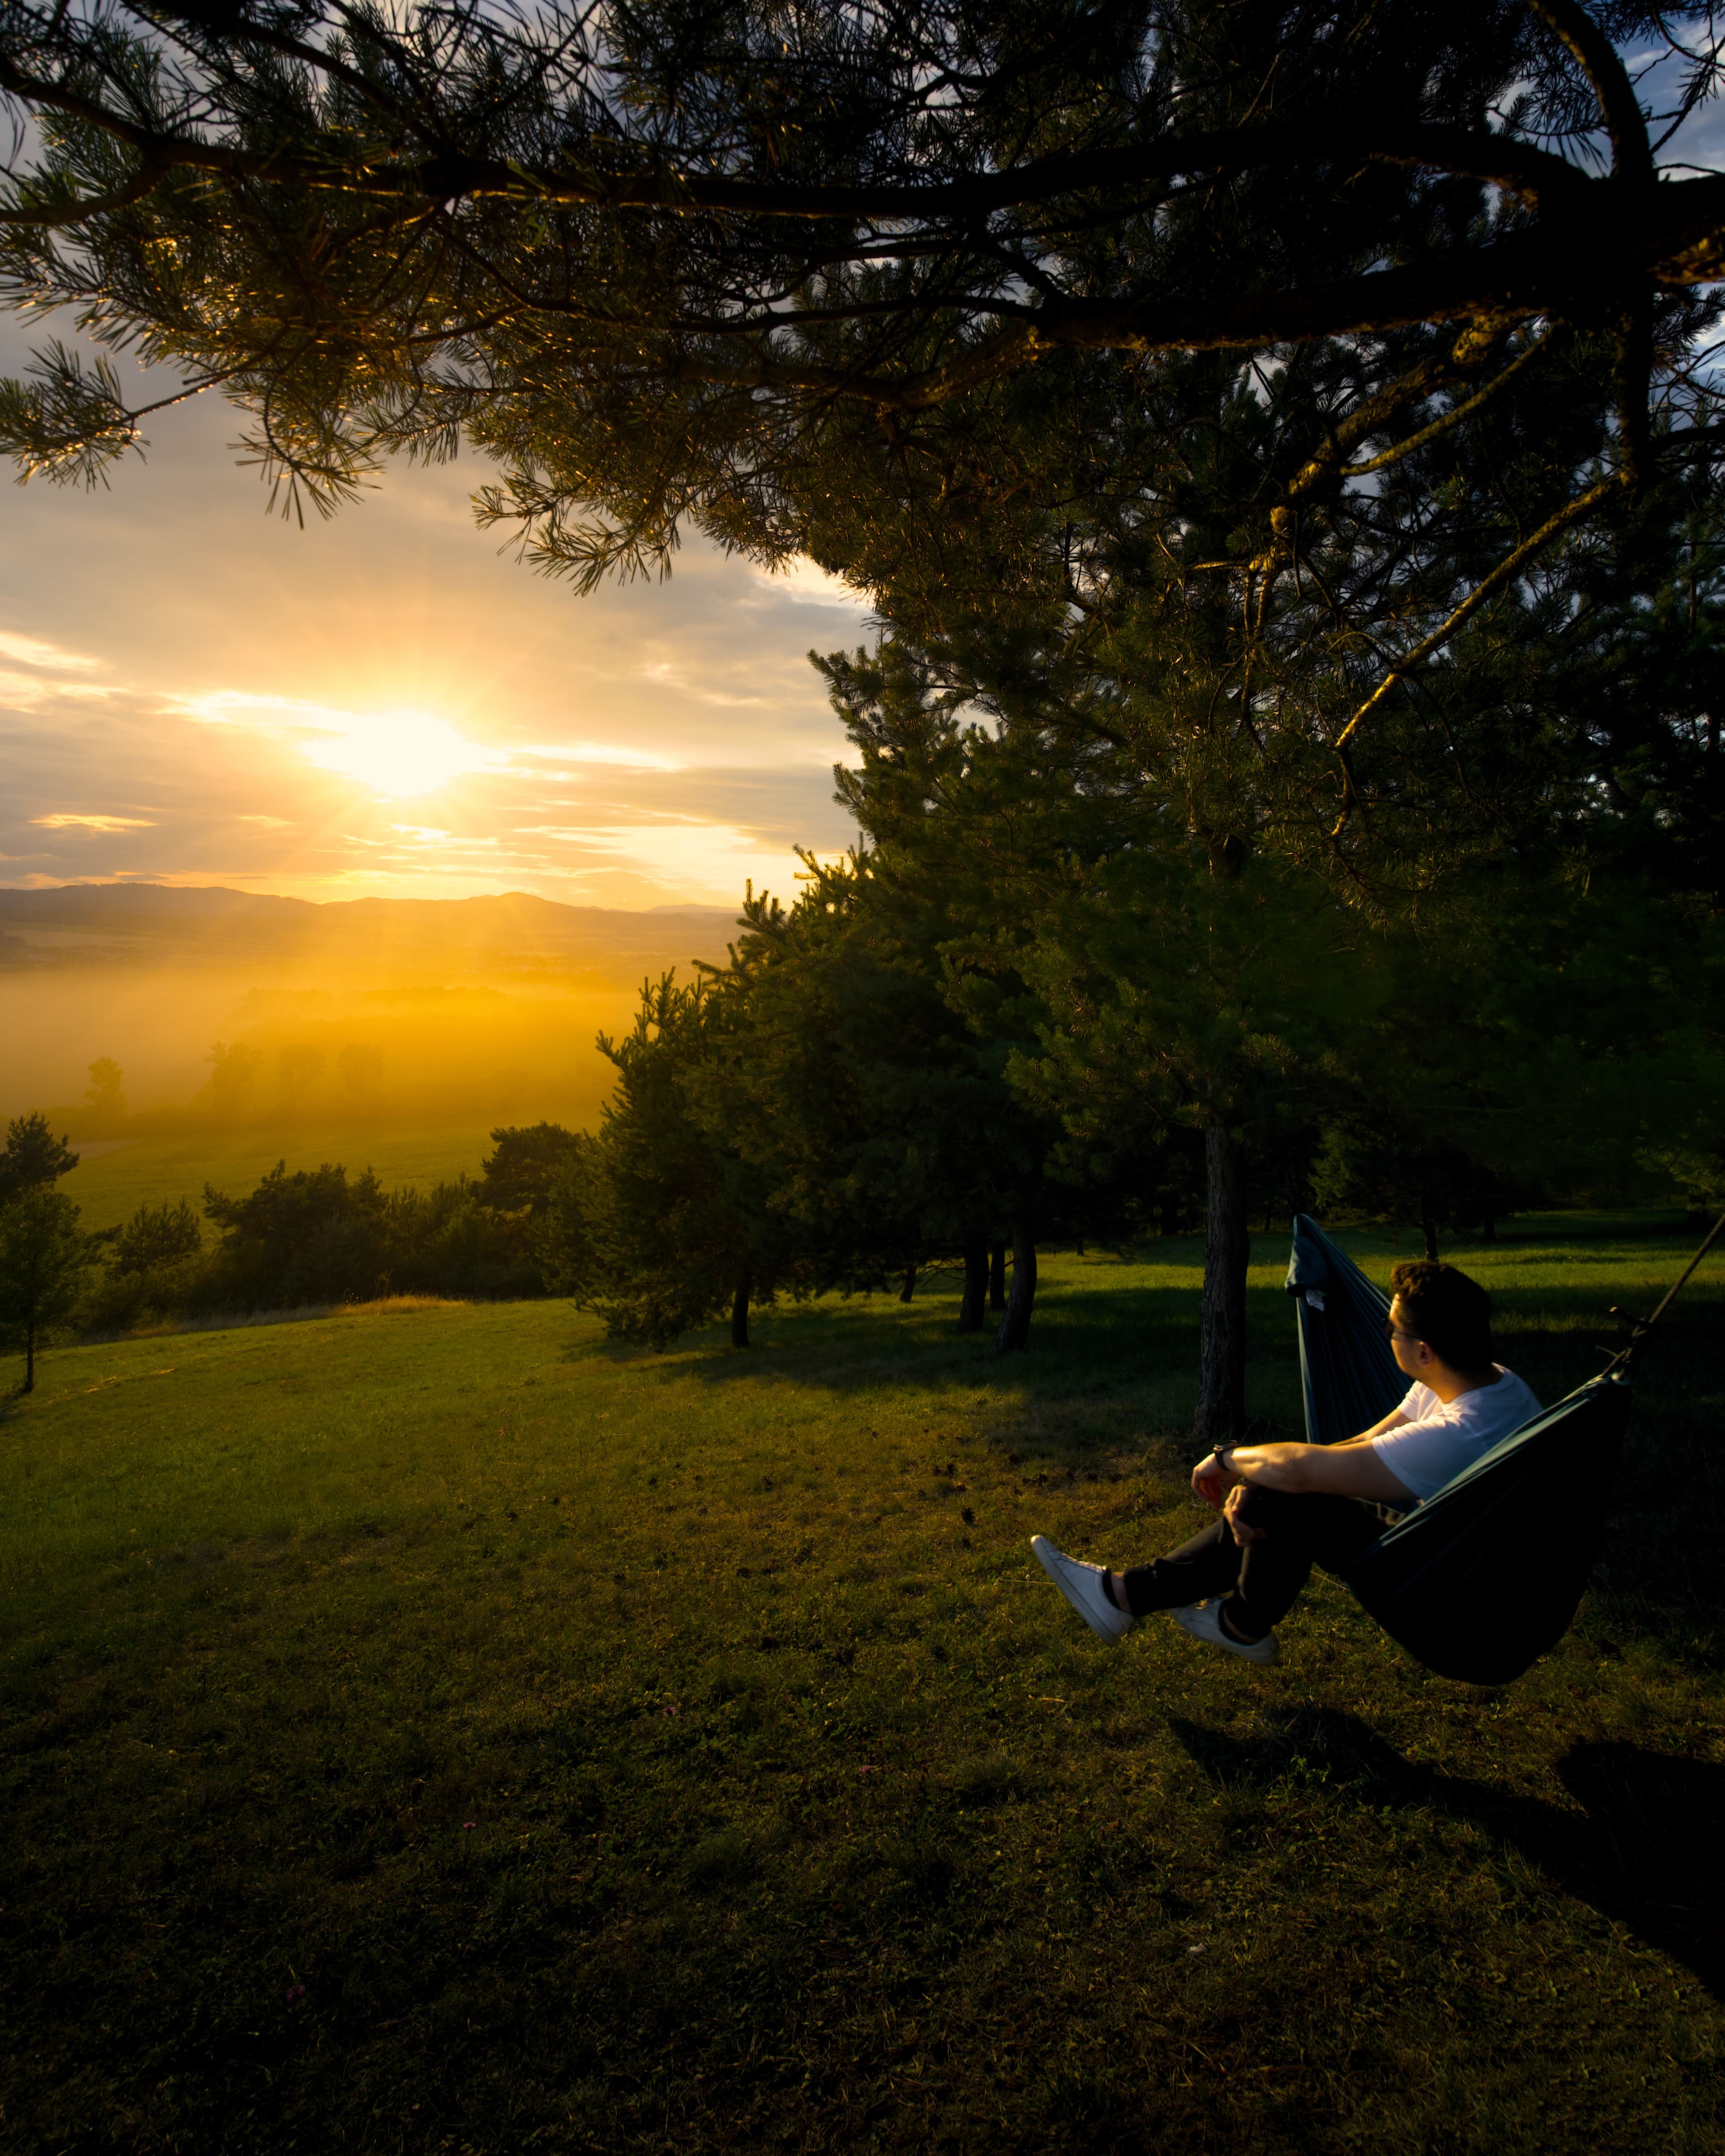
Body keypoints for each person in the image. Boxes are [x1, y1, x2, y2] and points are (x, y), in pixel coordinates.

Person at [1032, 1259, 1540, 1666]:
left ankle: (1238, 1625)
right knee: (1278, 1488)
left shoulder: (1458, 1435)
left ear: (1424, 1351)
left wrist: (1229, 1459)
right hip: (1452, 1553)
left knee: (1284, 1491)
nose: (1387, 1335)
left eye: (1393, 1330)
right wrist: (1260, 1477)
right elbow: (1360, 1443)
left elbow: (1302, 1472)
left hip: (1453, 1603)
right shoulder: (1493, 1382)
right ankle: (1125, 1596)